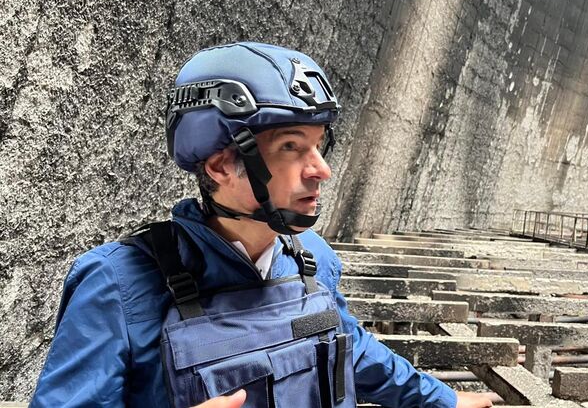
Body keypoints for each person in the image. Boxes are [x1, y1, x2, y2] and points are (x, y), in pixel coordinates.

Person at [30, 42, 494, 408]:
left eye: (318, 146)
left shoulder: (313, 258)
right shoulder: (117, 283)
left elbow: (348, 347)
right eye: (291, 147)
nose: (322, 170)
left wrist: (443, 399)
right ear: (220, 166)